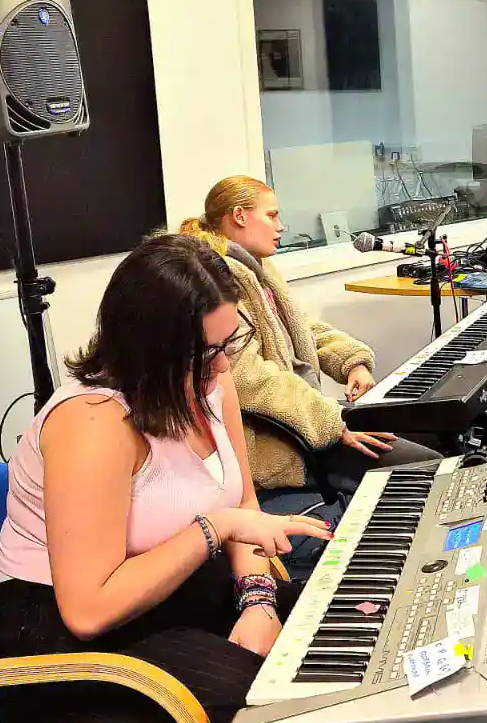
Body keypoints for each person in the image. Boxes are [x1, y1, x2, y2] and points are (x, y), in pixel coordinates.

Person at [0, 236, 381, 723]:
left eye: (231, 343)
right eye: (207, 352)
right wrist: (213, 528)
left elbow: (245, 509)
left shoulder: (209, 381)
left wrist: (257, 601)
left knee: (356, 651)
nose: (225, 365)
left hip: (170, 601)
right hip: (62, 657)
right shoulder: (92, 424)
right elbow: (89, 608)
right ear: (150, 350)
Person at [179, 177, 438, 493]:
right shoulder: (217, 281)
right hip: (280, 438)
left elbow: (300, 326)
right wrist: (329, 422)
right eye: (272, 215)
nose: (281, 227)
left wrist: (352, 361)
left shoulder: (257, 268)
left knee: (432, 430)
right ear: (239, 216)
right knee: (427, 465)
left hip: (306, 414)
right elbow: (249, 379)